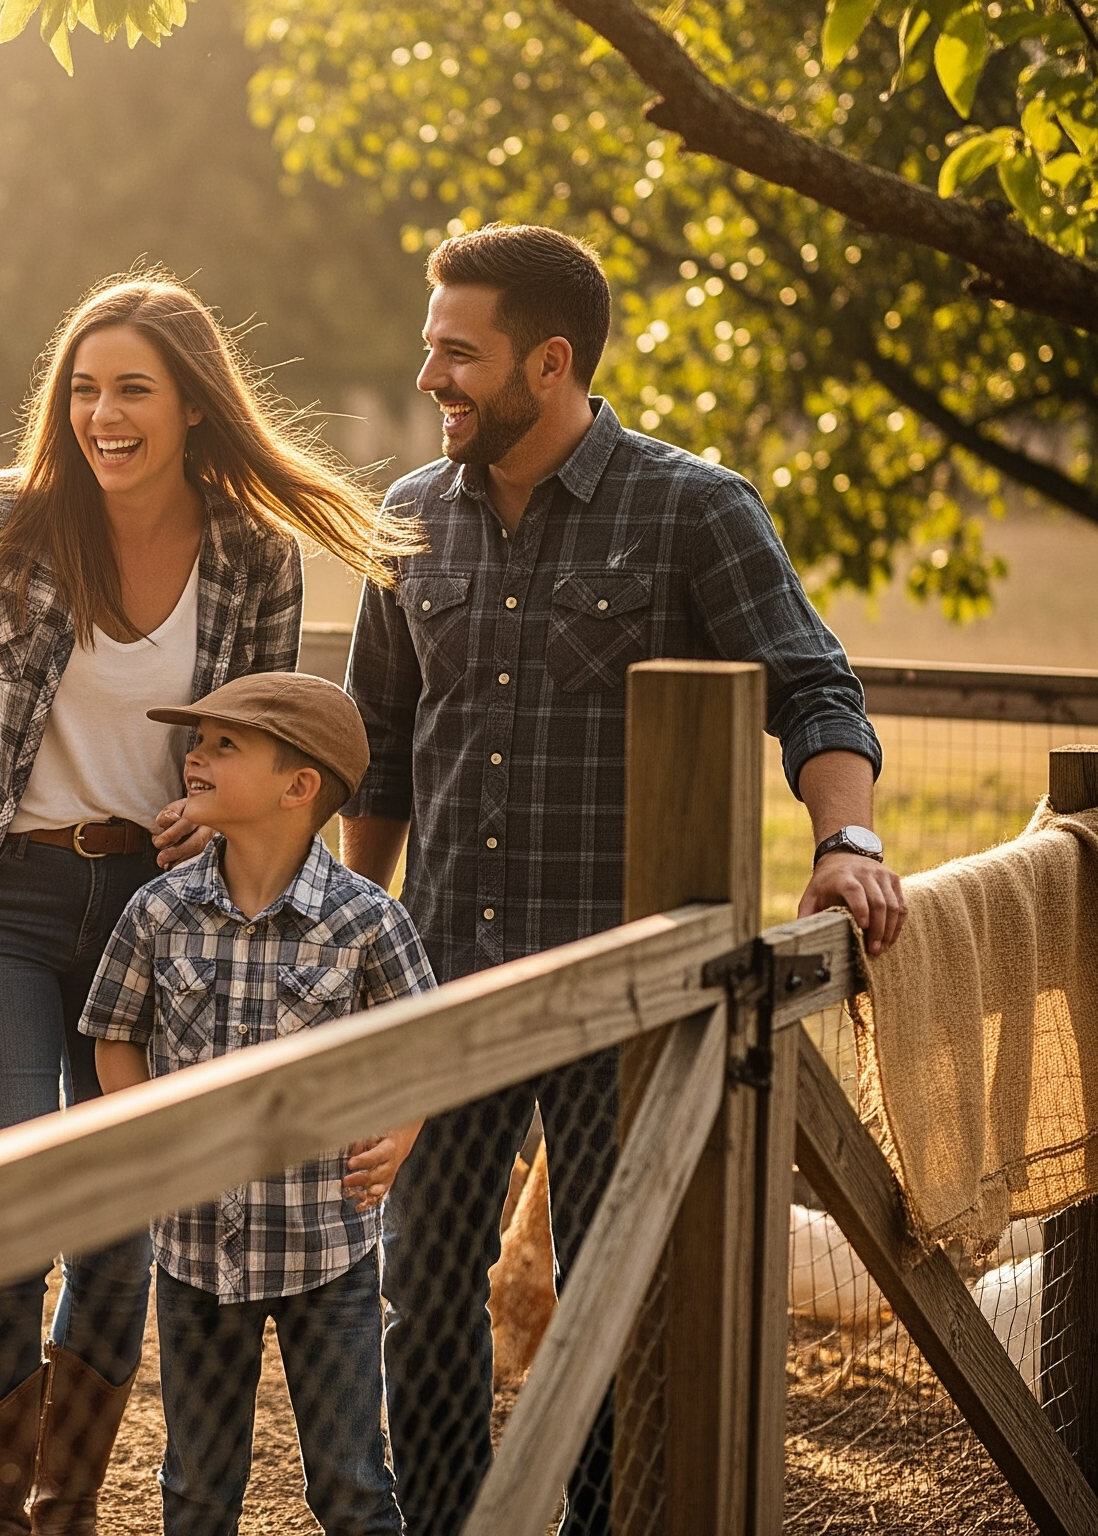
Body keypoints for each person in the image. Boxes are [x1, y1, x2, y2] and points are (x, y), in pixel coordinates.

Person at [343, 224, 904, 1536]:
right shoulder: (412, 519)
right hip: (443, 977)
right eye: (430, 347)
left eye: (459, 354)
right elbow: (376, 757)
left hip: (629, 999)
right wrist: (353, 952)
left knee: (610, 1297)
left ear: (551, 363)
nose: (434, 375)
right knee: (421, 1292)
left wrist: (848, 841)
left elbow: (813, 683)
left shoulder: (694, 508)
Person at [0, 275, 412, 1536]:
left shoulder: (250, 554)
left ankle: (63, 1506)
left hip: (156, 909)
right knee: (16, 1201)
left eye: (132, 389)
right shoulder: (2, 525)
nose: (101, 414)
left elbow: (251, 743)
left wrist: (202, 809)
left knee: (127, 1216)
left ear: (191, 406)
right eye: (82, 388)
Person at [80, 671, 431, 1536]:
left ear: (299, 786)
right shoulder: (158, 911)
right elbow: (114, 1033)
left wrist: (400, 1135)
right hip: (194, 1248)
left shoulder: (367, 921)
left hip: (329, 1246)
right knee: (196, 1492)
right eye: (197, 741)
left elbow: (425, 1043)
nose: (194, 755)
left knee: (351, 1486)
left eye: (222, 745)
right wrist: (148, 1132)